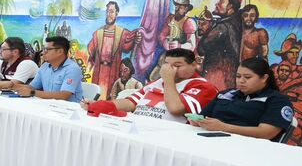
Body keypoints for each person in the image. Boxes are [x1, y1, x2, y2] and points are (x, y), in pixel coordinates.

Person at [81, 48, 217, 123]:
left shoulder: (203, 87)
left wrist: (168, 80)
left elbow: (175, 109)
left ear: (193, 65)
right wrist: (100, 105)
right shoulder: (156, 83)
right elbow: (131, 102)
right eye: (167, 65)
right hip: (137, 126)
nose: (170, 69)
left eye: (177, 65)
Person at [190, 57, 296, 140]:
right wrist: (198, 121)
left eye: (247, 77)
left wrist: (223, 127)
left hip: (250, 150)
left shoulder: (277, 100)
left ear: (264, 78)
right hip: (212, 141)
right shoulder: (225, 95)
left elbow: (266, 133)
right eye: (238, 76)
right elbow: (203, 116)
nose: (241, 81)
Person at [87, 1, 139, 97]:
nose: (108, 14)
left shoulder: (122, 33)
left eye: (111, 12)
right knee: (96, 96)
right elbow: (91, 54)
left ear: (116, 13)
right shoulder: (98, 33)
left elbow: (128, 47)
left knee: (111, 96)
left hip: (113, 71)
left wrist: (136, 38)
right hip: (99, 72)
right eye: (107, 11)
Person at [197, 0, 243, 89]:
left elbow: (201, 48)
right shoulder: (238, 23)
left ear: (230, 6)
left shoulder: (222, 27)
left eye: (221, 1)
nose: (217, 3)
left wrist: (206, 31)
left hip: (217, 79)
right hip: (229, 79)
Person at [14, 36, 84, 102]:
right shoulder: (45, 66)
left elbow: (64, 95)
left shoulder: (72, 69)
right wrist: (12, 86)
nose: (42, 52)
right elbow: (32, 87)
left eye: (46, 49)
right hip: (49, 105)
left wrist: (32, 92)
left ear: (60, 51)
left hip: (69, 108)